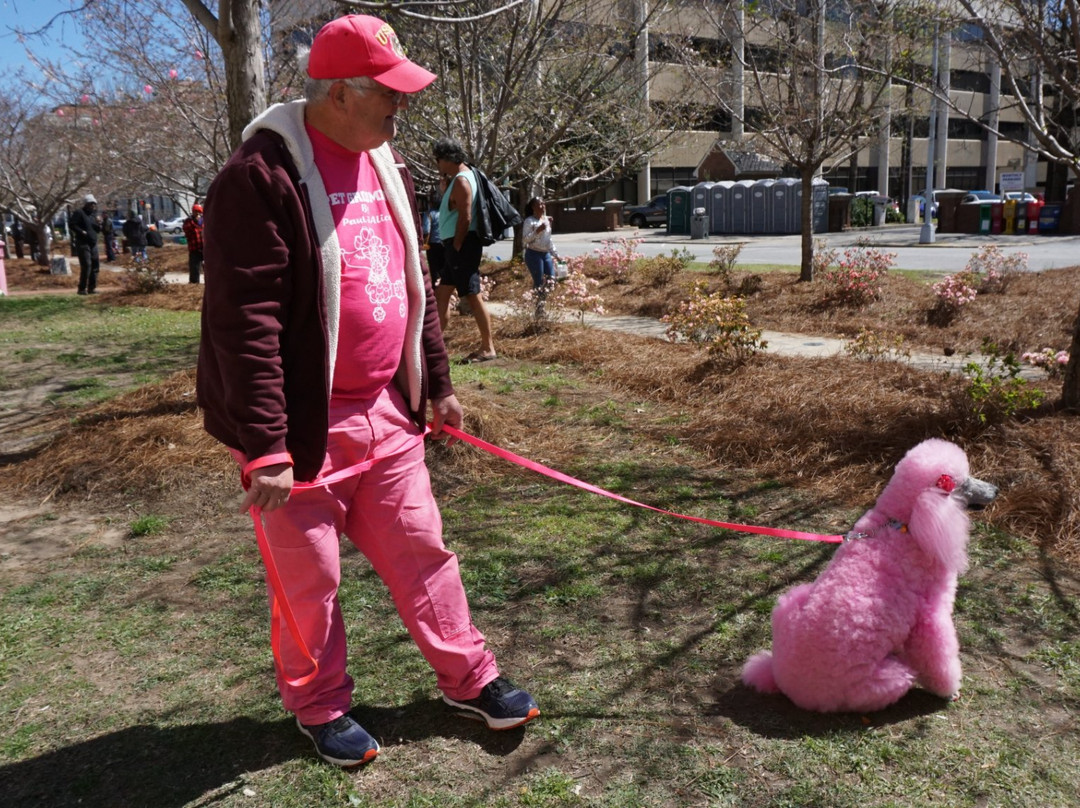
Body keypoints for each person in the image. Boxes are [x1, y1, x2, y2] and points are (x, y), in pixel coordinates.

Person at [197, 14, 539, 769]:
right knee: (309, 584)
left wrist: (437, 384)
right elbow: (242, 323)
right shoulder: (259, 178)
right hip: (300, 434)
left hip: (386, 417)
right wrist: (265, 446)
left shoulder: (389, 163)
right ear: (341, 93)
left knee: (424, 552)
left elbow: (409, 289)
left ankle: (468, 675)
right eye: (390, 94)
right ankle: (319, 705)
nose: (401, 109)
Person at [432, 138, 497, 363]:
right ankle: (435, 347)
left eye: (438, 159)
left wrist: (457, 244)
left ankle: (488, 347)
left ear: (447, 159)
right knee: (442, 293)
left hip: (462, 245)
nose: (437, 164)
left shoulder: (461, 180)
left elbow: (466, 216)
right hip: (455, 246)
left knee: (472, 294)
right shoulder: (459, 178)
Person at [521, 197, 557, 292]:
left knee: (551, 280)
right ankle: (538, 305)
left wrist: (556, 254)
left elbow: (549, 239)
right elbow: (525, 239)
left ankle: (542, 301)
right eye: (540, 204)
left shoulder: (547, 220)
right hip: (534, 254)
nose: (543, 206)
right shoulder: (529, 221)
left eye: (544, 204)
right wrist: (537, 231)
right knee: (539, 282)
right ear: (533, 207)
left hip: (545, 254)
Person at [69, 194, 102, 295]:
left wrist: (100, 223)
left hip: (93, 243)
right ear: (86, 204)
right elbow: (72, 224)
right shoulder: (79, 213)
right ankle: (82, 288)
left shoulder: (93, 215)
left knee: (95, 265)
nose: (92, 206)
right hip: (83, 243)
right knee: (87, 265)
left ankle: (92, 288)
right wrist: (81, 231)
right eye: (91, 204)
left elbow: (97, 229)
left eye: (94, 204)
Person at [423, 182, 445, 286]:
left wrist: (424, 242)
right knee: (443, 267)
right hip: (445, 242)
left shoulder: (429, 213)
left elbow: (427, 230)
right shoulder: (445, 213)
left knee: (434, 268)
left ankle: (436, 290)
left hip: (433, 244)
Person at [182, 204, 204, 283]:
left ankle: (210, 282)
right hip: (194, 248)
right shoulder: (188, 221)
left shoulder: (203, 220)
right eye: (196, 212)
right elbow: (186, 229)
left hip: (204, 247)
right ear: (193, 212)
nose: (198, 214)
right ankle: (194, 282)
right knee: (194, 268)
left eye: (199, 212)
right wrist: (196, 222)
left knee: (208, 267)